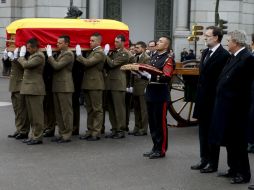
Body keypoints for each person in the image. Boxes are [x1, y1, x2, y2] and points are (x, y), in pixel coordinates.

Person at [210, 30, 254, 184]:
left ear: (236, 42)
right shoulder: (233, 56)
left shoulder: (247, 58)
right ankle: (233, 169)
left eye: (229, 40)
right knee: (230, 141)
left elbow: (245, 86)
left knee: (239, 143)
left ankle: (243, 173)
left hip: (237, 109)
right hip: (226, 106)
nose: (227, 43)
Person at [191, 26, 230, 173]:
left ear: (216, 37)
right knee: (203, 131)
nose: (204, 38)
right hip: (202, 99)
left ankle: (213, 164)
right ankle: (204, 159)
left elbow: (221, 80)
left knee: (212, 133)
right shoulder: (206, 52)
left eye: (207, 35)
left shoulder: (223, 55)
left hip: (214, 100)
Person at [141, 36, 174, 159]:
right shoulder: (154, 57)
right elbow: (149, 72)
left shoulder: (168, 59)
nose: (158, 43)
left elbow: (166, 76)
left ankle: (161, 149)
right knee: (153, 122)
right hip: (151, 92)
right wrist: (141, 74)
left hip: (160, 94)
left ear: (166, 46)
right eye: (158, 41)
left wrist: (150, 77)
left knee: (160, 123)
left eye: (161, 42)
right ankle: (155, 147)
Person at [75, 33, 106, 141]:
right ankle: (90, 130)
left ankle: (96, 132)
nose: (90, 42)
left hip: (96, 84)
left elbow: (88, 63)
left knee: (97, 109)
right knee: (89, 109)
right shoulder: (92, 52)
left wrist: (79, 55)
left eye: (92, 40)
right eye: (90, 40)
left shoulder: (99, 53)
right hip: (88, 83)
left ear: (98, 42)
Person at [46, 35, 75, 143]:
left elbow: (57, 66)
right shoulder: (61, 53)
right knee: (58, 112)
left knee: (66, 112)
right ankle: (62, 133)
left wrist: (49, 56)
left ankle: (67, 134)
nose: (57, 44)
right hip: (57, 86)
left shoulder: (68, 54)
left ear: (66, 44)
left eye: (60, 43)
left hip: (65, 87)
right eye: (57, 42)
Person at [18, 38, 46, 145]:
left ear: (35, 47)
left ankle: (38, 137)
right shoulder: (32, 55)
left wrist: (20, 57)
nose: (28, 50)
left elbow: (26, 65)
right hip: (30, 89)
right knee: (31, 115)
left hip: (35, 89)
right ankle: (33, 135)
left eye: (29, 48)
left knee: (37, 115)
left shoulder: (39, 56)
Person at [105, 34, 130, 139]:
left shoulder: (124, 53)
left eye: (117, 42)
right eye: (115, 42)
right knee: (111, 108)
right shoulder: (115, 52)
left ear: (123, 42)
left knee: (119, 108)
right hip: (110, 83)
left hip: (118, 84)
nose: (115, 43)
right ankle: (114, 128)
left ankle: (120, 130)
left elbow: (112, 64)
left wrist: (105, 55)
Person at [6, 48, 30, 139]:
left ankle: (24, 131)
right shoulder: (16, 54)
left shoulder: (25, 55)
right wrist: (8, 58)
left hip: (20, 85)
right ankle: (19, 129)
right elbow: (8, 67)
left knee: (22, 110)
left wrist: (16, 58)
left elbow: (23, 67)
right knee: (17, 110)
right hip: (14, 86)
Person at [128, 41, 150, 136]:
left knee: (143, 109)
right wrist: (131, 85)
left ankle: (143, 129)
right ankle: (136, 127)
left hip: (143, 86)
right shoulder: (134, 57)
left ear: (143, 48)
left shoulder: (147, 58)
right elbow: (131, 75)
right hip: (136, 86)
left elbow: (148, 73)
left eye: (138, 47)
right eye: (135, 47)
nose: (135, 49)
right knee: (136, 109)